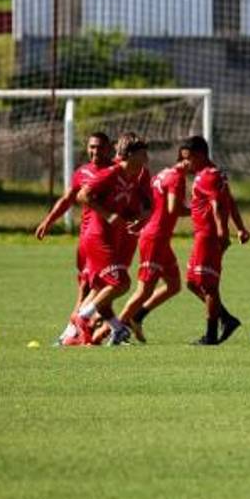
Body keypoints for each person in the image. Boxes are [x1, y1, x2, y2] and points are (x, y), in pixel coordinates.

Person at [35, 132, 114, 345]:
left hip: (112, 239)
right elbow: (68, 198)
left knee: (103, 286)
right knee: (89, 286)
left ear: (109, 148)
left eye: (99, 147)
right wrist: (48, 221)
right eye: (91, 147)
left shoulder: (116, 172)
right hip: (89, 240)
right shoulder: (83, 173)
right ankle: (79, 331)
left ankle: (87, 329)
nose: (95, 151)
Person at [72, 138, 152, 345]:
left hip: (110, 237)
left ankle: (117, 329)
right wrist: (107, 216)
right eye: (143, 154)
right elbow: (82, 195)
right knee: (120, 282)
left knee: (104, 289)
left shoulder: (132, 178)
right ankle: (82, 317)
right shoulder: (111, 173)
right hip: (97, 236)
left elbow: (128, 208)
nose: (147, 158)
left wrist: (138, 220)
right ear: (131, 155)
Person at [182, 135, 250, 345]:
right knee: (193, 283)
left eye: (189, 158)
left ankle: (211, 335)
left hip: (208, 236)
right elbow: (229, 200)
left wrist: (222, 232)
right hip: (202, 235)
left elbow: (218, 205)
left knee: (208, 286)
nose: (186, 163)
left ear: (201, 155)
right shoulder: (214, 173)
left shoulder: (208, 176)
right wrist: (240, 227)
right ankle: (227, 319)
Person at [117, 155, 192, 342]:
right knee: (144, 291)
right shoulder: (177, 178)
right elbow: (172, 209)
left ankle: (137, 317)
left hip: (159, 239)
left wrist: (142, 221)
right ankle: (115, 328)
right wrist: (199, 207)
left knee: (174, 285)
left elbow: (153, 205)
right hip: (155, 239)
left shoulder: (163, 174)